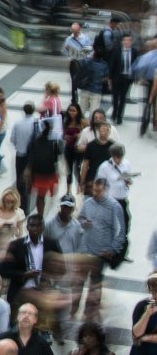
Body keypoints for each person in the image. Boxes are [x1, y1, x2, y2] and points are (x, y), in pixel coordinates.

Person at [78, 178, 126, 321]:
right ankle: (74, 307)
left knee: (95, 283)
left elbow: (120, 232)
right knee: (79, 281)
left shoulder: (114, 207)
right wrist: (83, 222)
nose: (95, 193)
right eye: (93, 190)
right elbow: (79, 219)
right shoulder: (88, 203)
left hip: (100, 254)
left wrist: (112, 249)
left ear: (106, 190)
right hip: (85, 250)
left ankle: (90, 311)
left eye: (98, 191)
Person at [28, 119, 62, 217]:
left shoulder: (35, 142)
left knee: (41, 197)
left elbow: (31, 157)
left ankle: (41, 215)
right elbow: (57, 158)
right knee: (46, 196)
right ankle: (42, 215)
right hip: (47, 173)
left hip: (40, 173)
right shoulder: (53, 142)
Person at [110, 35, 139, 126]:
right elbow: (112, 64)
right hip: (117, 77)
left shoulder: (134, 52)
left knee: (123, 98)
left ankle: (119, 116)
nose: (127, 42)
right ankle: (114, 112)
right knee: (115, 97)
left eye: (129, 40)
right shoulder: (117, 51)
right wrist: (110, 77)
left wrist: (135, 77)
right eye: (125, 40)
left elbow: (136, 65)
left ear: (131, 42)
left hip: (127, 78)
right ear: (122, 41)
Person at [79, 122, 114, 191]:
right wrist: (82, 181)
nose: (105, 131)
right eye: (103, 129)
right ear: (98, 130)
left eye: (107, 130)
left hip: (107, 179)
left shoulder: (113, 146)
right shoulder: (91, 145)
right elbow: (85, 164)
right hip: (92, 177)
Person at [64, 23, 93, 104]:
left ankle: (87, 99)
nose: (74, 33)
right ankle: (74, 98)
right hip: (74, 62)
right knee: (74, 80)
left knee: (85, 80)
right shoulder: (69, 39)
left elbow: (90, 48)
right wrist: (67, 50)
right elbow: (65, 51)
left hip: (83, 62)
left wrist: (82, 52)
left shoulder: (85, 38)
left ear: (79, 30)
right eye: (73, 31)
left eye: (76, 31)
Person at [75, 50, 109, 117]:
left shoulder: (86, 61)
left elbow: (77, 64)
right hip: (97, 90)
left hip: (85, 87)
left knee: (82, 109)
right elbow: (106, 77)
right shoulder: (104, 65)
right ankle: (92, 125)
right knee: (93, 112)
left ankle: (80, 124)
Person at [63, 103, 87, 194]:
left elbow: (88, 133)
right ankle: (68, 190)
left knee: (78, 169)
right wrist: (65, 137)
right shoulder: (66, 121)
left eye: (74, 111)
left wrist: (80, 135)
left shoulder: (82, 122)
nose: (71, 113)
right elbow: (62, 133)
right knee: (68, 170)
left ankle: (79, 189)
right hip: (68, 148)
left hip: (78, 149)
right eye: (70, 110)